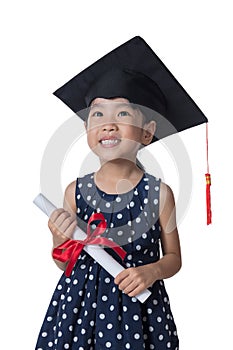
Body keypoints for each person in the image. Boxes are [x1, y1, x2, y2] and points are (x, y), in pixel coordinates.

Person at [35, 36, 208, 350]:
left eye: (123, 114)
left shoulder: (159, 194)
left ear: (147, 131)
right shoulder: (75, 191)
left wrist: (152, 270)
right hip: (78, 309)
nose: (108, 125)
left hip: (138, 310)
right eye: (97, 115)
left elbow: (173, 258)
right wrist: (58, 239)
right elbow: (65, 264)